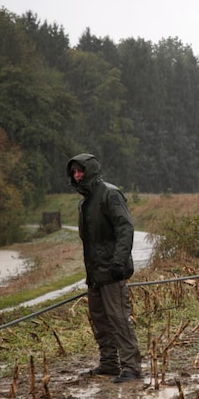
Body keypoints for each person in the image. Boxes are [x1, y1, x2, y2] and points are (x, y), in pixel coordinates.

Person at [67, 153, 142, 383]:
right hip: (94, 274)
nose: (77, 176)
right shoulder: (84, 203)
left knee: (119, 319)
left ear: (90, 170)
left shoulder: (110, 194)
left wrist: (118, 262)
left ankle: (131, 367)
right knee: (99, 321)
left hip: (112, 271)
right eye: (74, 172)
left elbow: (125, 228)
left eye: (80, 171)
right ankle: (109, 363)